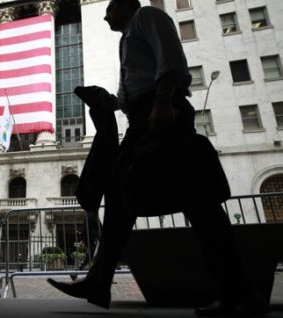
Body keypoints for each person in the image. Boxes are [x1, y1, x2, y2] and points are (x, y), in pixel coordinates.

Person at [47, 1, 267, 317]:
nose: (105, 15)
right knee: (121, 196)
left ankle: (241, 293)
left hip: (163, 117)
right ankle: (99, 279)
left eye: (109, 8)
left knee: (201, 205)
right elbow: (138, 85)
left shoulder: (147, 16)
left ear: (126, 5)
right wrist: (112, 103)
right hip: (143, 120)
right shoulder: (127, 38)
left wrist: (163, 101)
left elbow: (170, 58)